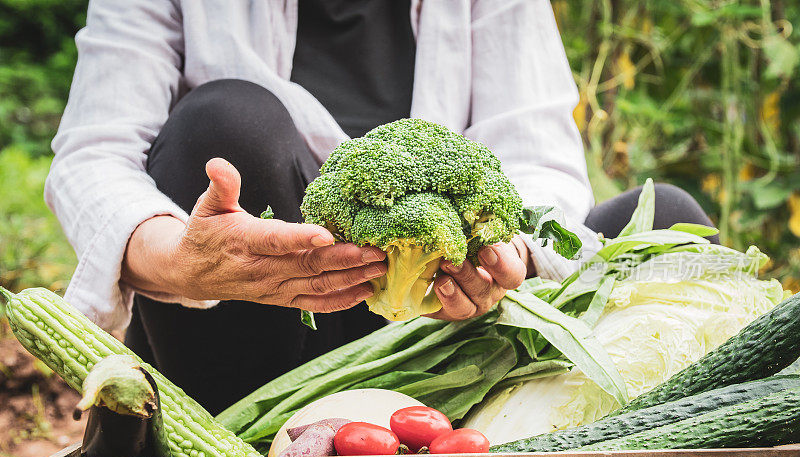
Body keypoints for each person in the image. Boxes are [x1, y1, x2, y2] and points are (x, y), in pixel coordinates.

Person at [46, 0, 718, 414]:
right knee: (226, 123)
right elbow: (92, 152)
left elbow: (536, 157)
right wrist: (179, 260)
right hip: (255, 329)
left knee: (672, 228)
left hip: (447, 340)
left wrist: (505, 253)